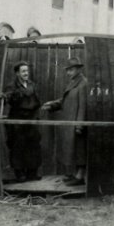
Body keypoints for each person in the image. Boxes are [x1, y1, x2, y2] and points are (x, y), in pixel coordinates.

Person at [42, 57, 87, 186]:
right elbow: (64, 100)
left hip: (77, 123)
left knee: (79, 150)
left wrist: (80, 125)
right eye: (67, 70)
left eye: (71, 70)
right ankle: (75, 174)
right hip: (70, 121)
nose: (68, 73)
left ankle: (80, 176)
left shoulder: (83, 83)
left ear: (78, 69)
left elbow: (83, 105)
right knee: (73, 150)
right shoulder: (73, 82)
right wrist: (52, 105)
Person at [1, 61, 42, 182]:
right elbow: (7, 96)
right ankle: (20, 174)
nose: (26, 73)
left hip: (31, 120)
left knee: (33, 146)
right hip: (17, 120)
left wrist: (36, 118)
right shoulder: (11, 86)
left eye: (27, 71)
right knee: (18, 147)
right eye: (23, 71)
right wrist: (4, 97)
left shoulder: (32, 85)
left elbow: (37, 102)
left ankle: (32, 173)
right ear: (17, 73)